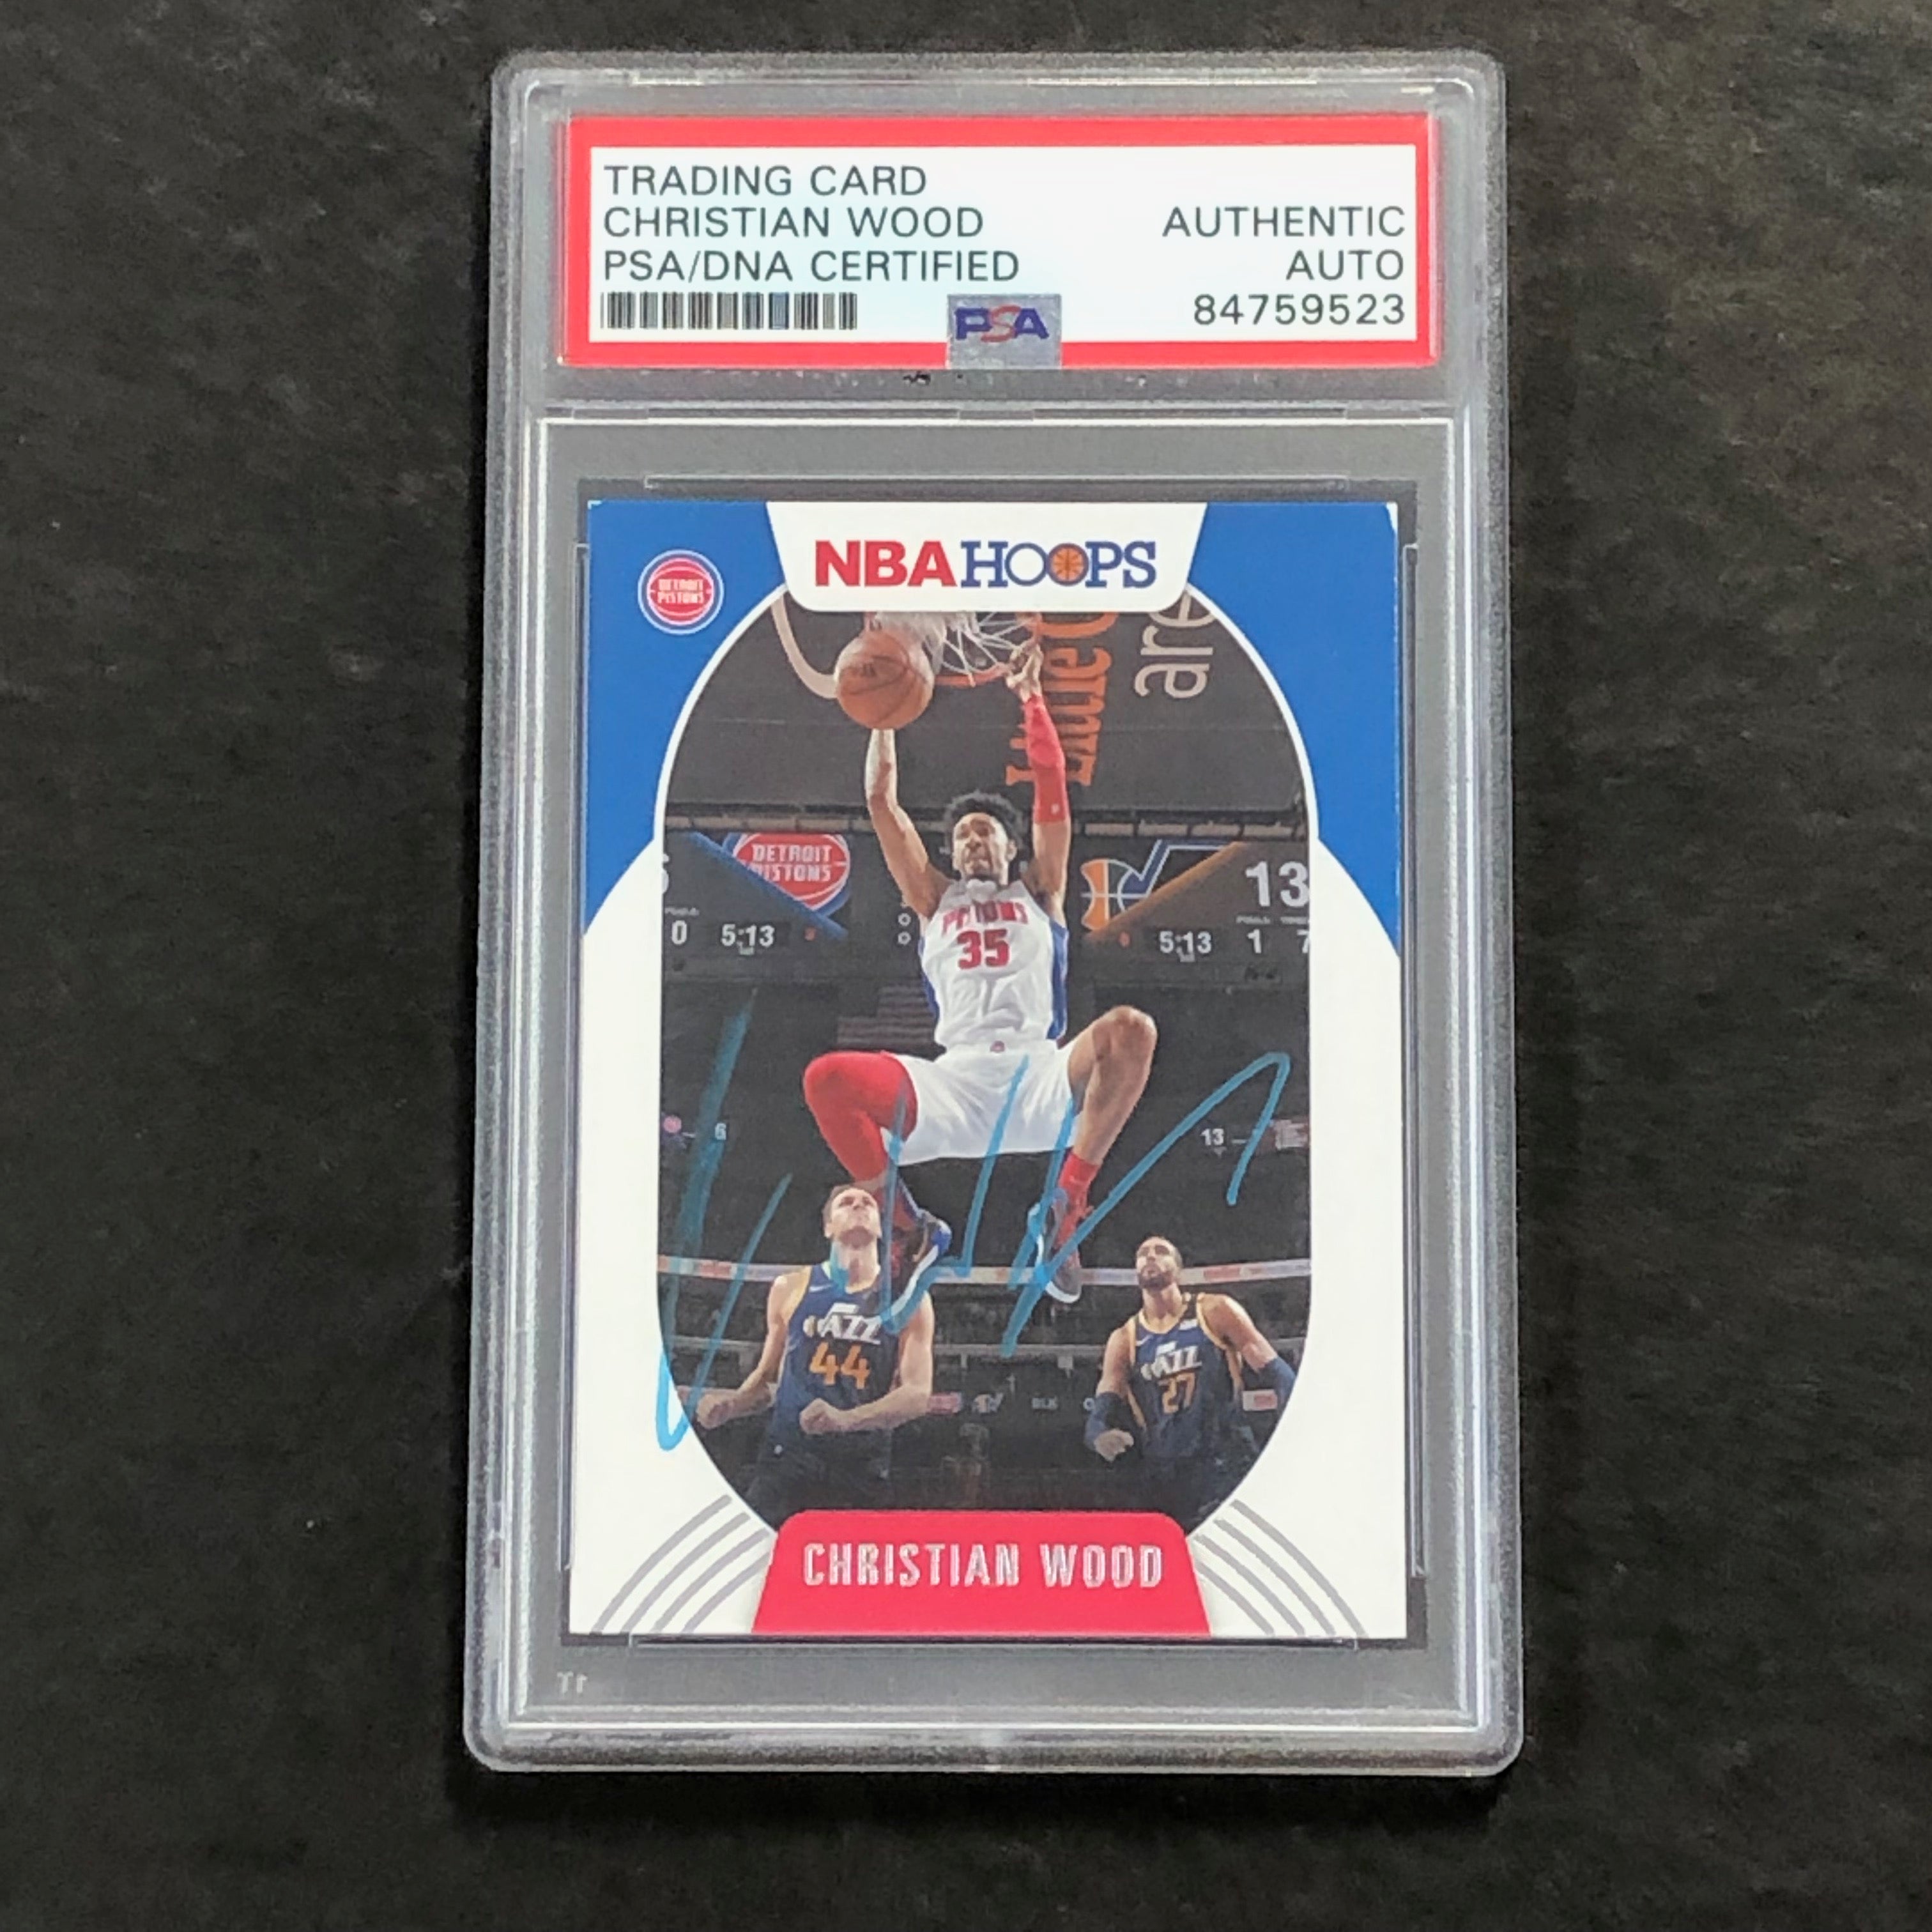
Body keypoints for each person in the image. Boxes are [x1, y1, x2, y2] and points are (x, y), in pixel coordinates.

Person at [802, 634, 1158, 1304]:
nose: (970, 839)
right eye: (961, 834)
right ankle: (908, 1228)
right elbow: (882, 804)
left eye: (983, 831)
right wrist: (884, 721)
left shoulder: (1042, 889)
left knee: (1131, 1030)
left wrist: (1032, 701)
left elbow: (1052, 792)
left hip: (1040, 1073)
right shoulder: (932, 899)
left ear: (1009, 846)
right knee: (827, 1079)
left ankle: (1065, 1209)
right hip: (955, 1083)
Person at [694, 1182, 935, 1524]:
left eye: (867, 1203)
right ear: (828, 1227)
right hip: (789, 1457)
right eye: (846, 1202)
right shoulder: (790, 1287)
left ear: (881, 1227)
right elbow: (768, 1379)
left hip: (859, 1463)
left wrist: (847, 1420)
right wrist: (731, 1404)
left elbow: (917, 1394)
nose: (858, 1206)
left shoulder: (910, 1299)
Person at [1085, 1234, 1296, 1528]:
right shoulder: (1124, 1339)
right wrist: (1099, 1437)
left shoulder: (1215, 1311)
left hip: (1224, 1463)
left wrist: (1291, 1430)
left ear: (1178, 1269)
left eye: (1161, 1251)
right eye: (1143, 1253)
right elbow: (1099, 1416)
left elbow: (1279, 1373)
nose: (1150, 1256)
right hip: (1166, 1474)